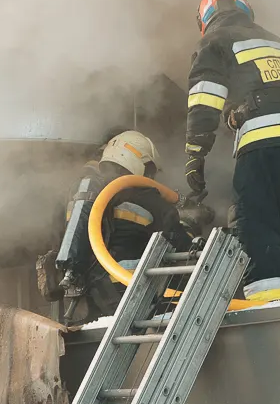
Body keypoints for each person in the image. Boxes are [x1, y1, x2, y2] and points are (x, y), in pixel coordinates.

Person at [184, 0, 280, 303]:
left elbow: (204, 101)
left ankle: (267, 304)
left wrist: (195, 155)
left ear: (206, 19)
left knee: (254, 220)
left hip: (263, 143)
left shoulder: (215, 41)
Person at [38, 130, 193, 325]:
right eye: (149, 169)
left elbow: (57, 235)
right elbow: (180, 243)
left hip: (91, 296)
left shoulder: (82, 196)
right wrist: (191, 227)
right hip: (130, 294)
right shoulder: (145, 197)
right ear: (138, 162)